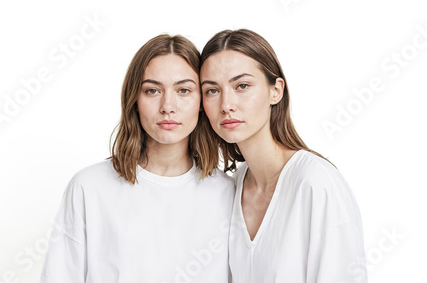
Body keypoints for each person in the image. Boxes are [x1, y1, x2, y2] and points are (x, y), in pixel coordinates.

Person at [40, 34, 235, 283]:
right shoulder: (90, 187)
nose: (168, 106)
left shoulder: (229, 193)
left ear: (202, 100)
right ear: (135, 99)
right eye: (152, 90)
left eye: (183, 90)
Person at [199, 29, 367, 282]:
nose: (226, 104)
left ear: (275, 91)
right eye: (212, 90)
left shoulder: (316, 183)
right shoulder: (233, 186)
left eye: (242, 86)